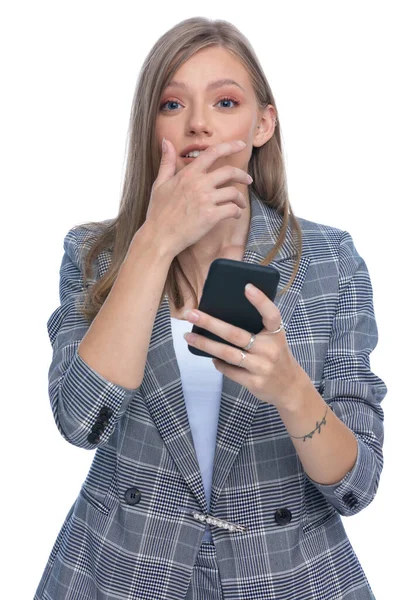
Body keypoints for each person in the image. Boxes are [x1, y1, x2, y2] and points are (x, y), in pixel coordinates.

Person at [34, 16, 387, 600]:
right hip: (123, 572)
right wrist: (152, 242)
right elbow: (79, 420)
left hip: (285, 577)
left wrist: (290, 388)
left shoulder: (331, 261)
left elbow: (357, 484)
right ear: (152, 129)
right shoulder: (94, 255)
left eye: (225, 101)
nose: (198, 122)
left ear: (262, 123)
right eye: (172, 105)